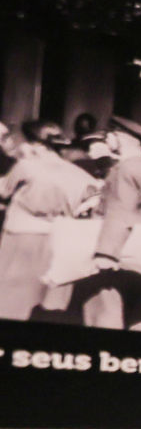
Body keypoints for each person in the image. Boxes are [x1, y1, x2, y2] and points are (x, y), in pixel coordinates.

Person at [81, 117, 141, 332]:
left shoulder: (122, 170)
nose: (107, 140)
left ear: (120, 137)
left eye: (109, 135)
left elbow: (119, 214)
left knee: (105, 315)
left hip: (118, 254)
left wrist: (105, 255)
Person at [0, 124, 96, 319]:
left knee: (12, 299)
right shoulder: (80, 174)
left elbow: (3, 191)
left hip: (22, 238)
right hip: (60, 241)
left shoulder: (27, 166)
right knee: (46, 301)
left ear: (36, 144)